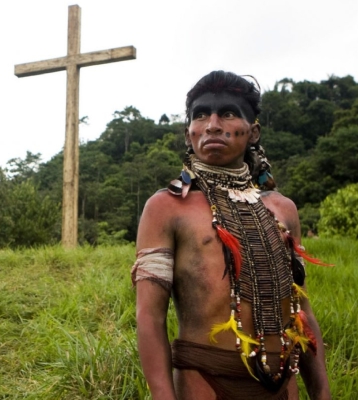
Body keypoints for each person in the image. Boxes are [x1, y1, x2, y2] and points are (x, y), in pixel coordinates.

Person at [132, 71, 331, 400]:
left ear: (253, 132)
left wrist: (322, 394)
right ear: (188, 133)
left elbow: (303, 312)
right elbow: (150, 315)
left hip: (282, 381)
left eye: (227, 113)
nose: (212, 124)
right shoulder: (167, 206)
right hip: (205, 380)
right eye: (200, 115)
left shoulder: (283, 209)